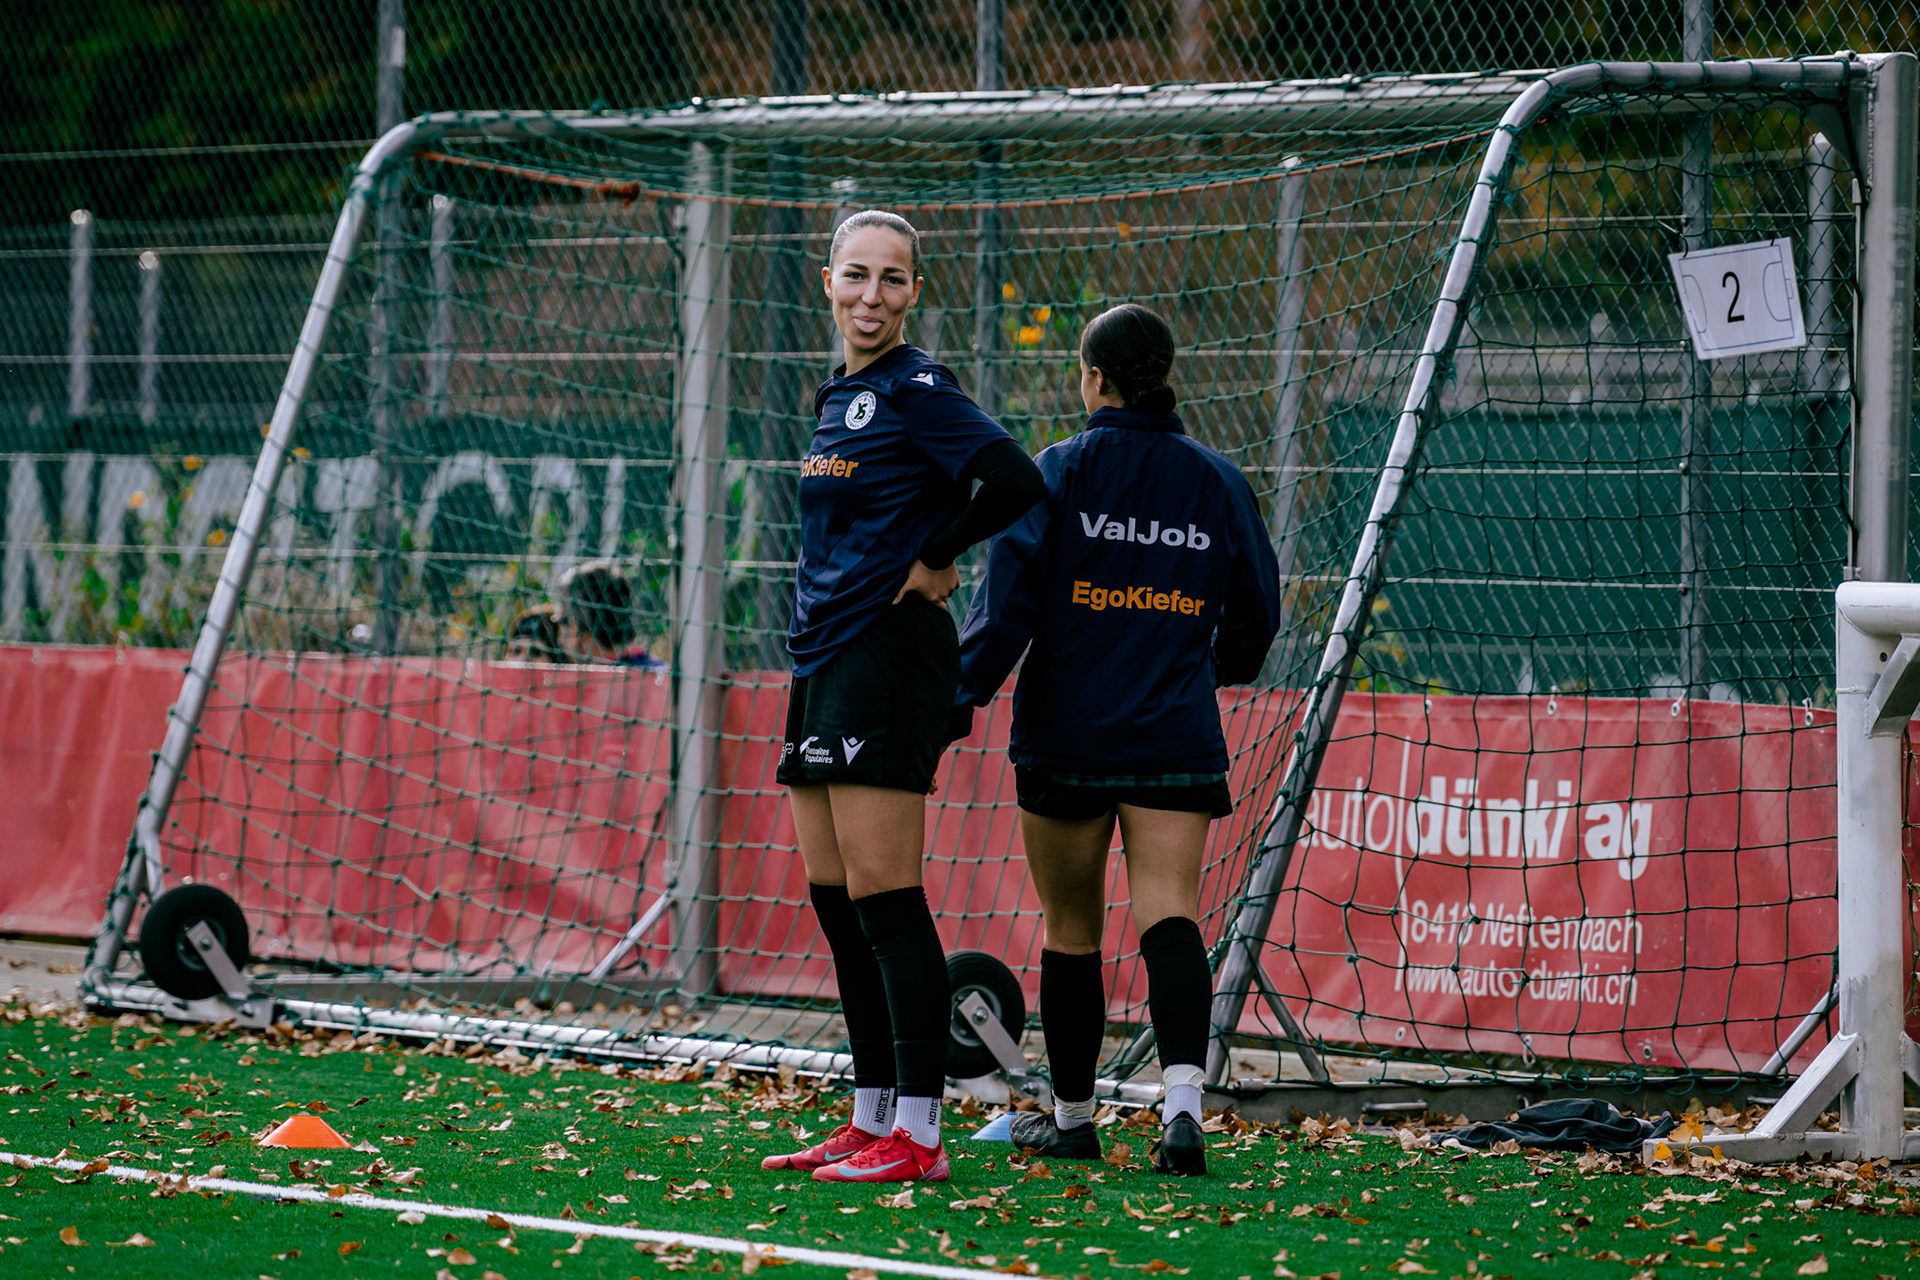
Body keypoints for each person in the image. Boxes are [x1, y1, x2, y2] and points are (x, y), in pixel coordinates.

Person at [949, 303, 1282, 1177]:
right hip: (1174, 729)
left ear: (1092, 377)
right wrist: (1212, 668)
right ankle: (1182, 1111)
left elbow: (1004, 611)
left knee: (1070, 928)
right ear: (1167, 373)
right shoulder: (1217, 479)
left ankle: (1073, 1116)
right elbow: (1257, 615)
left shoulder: (1056, 470)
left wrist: (957, 698)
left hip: (1067, 733)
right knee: (1171, 913)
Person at [760, 210, 1044, 1185]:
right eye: (857, 276)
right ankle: (869, 1111)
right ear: (827, 282)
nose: (872, 295)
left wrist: (935, 555)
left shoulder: (918, 388)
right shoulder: (837, 394)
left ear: (914, 291)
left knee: (886, 898)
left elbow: (1012, 478)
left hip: (887, 660)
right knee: (836, 901)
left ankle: (918, 1133)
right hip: (822, 658)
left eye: (892, 279)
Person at [552, 560, 668, 671]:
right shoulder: (660, 672)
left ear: (573, 627)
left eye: (559, 621)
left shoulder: (588, 685)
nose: (558, 636)